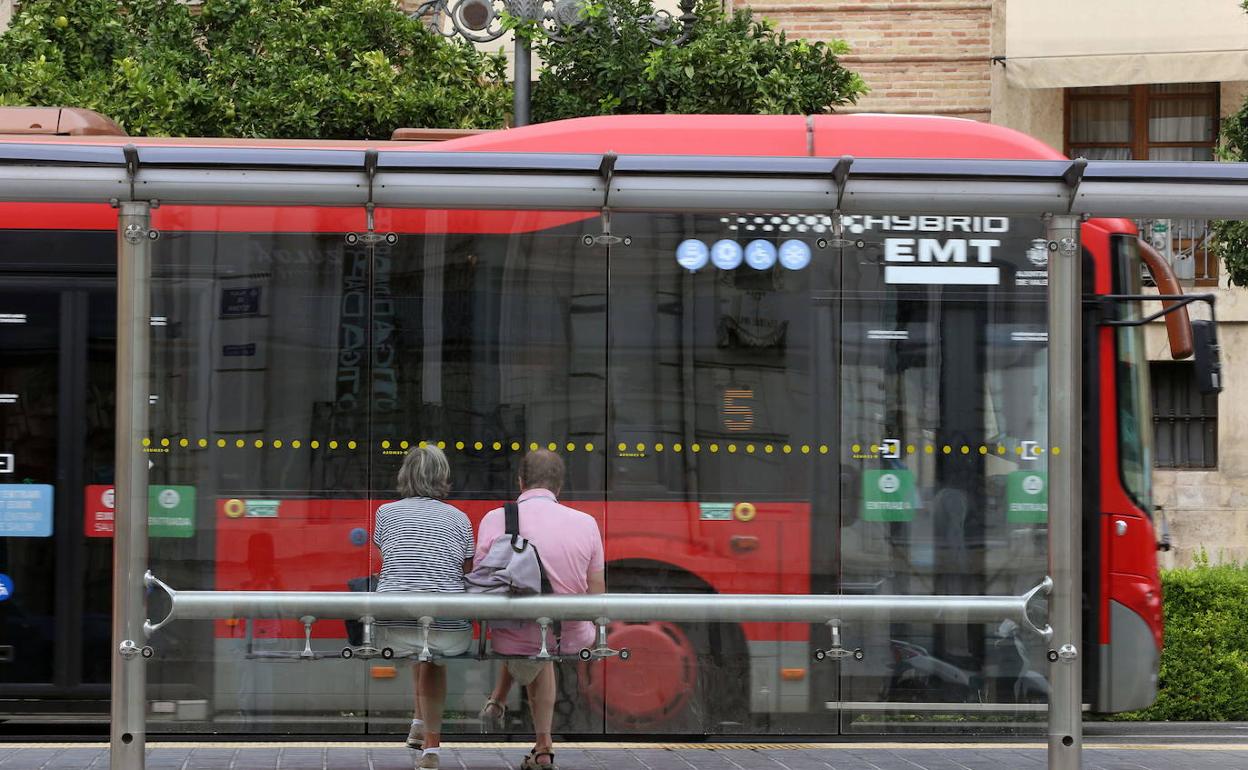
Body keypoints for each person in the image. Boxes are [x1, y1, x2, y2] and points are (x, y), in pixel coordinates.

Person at [475, 449, 605, 770]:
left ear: (520, 482)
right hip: (573, 635)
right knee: (544, 637)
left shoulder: (494, 519)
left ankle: (507, 709)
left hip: (513, 636)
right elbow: (597, 593)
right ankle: (541, 745)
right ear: (558, 487)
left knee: (530, 633)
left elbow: (482, 586)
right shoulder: (587, 523)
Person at [373, 444, 474, 770]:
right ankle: (431, 745)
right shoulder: (460, 519)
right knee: (432, 648)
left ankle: (420, 723)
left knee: (418, 634)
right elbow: (466, 570)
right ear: (443, 477)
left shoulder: (385, 513)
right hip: (449, 629)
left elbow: (390, 558)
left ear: (405, 475)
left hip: (394, 626)